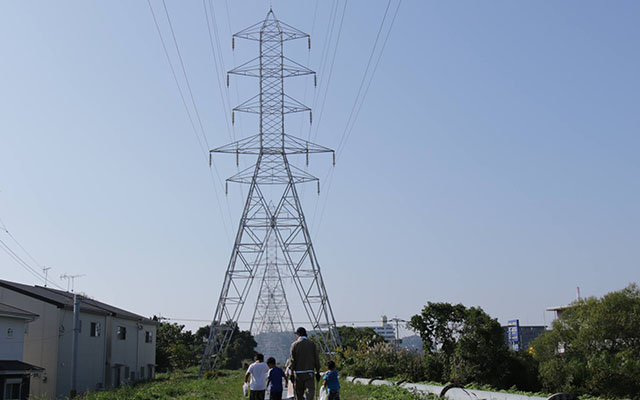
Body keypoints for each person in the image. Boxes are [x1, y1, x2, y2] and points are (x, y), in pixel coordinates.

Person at [289, 327, 321, 400]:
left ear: (299, 334)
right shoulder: (312, 344)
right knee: (310, 391)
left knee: (299, 393)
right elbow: (316, 358)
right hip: (309, 372)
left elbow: (292, 360)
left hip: (298, 373)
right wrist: (318, 371)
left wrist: (291, 373)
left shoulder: (294, 345)